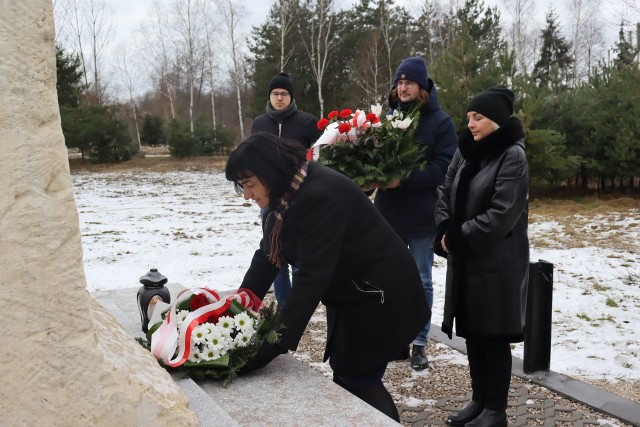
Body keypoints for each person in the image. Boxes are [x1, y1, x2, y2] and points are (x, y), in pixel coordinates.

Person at [225, 133, 430, 422]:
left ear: (270, 172)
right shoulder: (288, 196)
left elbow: (311, 277)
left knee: (358, 379)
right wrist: (240, 304)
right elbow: (268, 254)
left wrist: (269, 346)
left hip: (380, 295)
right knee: (348, 375)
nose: (246, 195)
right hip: (355, 294)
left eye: (249, 184)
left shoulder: (320, 196)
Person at [432, 86, 529, 427]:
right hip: (467, 259)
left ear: (497, 122)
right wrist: (445, 227)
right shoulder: (466, 150)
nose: (470, 124)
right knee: (474, 332)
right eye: (469, 117)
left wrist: (458, 238)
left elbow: (501, 216)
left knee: (494, 336)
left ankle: (495, 410)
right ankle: (478, 401)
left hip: (497, 263)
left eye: (478, 118)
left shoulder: (512, 156)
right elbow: (445, 190)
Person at [373, 56, 457, 370]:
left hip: (422, 215)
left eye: (409, 82)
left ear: (421, 86)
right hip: (389, 214)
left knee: (422, 280)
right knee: (391, 277)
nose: (403, 87)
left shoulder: (440, 121)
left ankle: (419, 343)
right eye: (399, 81)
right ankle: (395, 338)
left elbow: (443, 166)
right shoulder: (387, 117)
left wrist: (404, 180)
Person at [251, 72, 321, 309]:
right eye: (275, 94)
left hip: (301, 198)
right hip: (270, 200)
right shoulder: (260, 123)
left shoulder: (307, 122)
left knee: (300, 253)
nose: (279, 98)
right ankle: (284, 304)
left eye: (284, 94)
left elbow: (319, 155)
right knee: (273, 252)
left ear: (291, 97)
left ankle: (301, 304)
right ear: (269, 96)